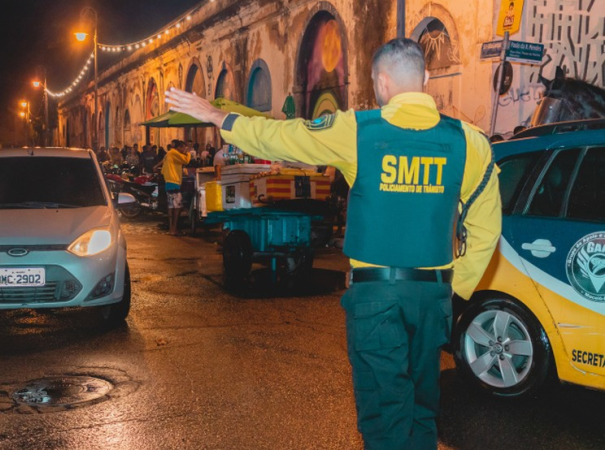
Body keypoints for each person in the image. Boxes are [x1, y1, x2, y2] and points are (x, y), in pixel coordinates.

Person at [165, 38, 501, 450]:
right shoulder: (469, 141)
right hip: (433, 297)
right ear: (426, 78)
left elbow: (282, 137)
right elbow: (486, 228)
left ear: (381, 82)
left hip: (376, 298)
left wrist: (219, 116)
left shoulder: (357, 131)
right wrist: (456, 289)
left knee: (385, 417)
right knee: (421, 409)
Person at [155, 139, 191, 236]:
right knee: (177, 207)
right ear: (179, 147)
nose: (183, 150)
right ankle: (174, 229)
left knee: (171, 207)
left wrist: (156, 166)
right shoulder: (174, 153)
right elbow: (186, 160)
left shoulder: (169, 153)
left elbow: (163, 162)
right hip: (174, 182)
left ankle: (171, 229)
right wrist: (188, 153)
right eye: (183, 148)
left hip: (168, 182)